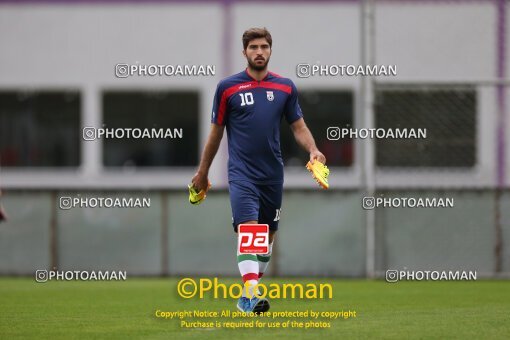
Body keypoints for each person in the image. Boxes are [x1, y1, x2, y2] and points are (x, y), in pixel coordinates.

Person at [191, 27, 326, 313]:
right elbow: (215, 134)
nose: (259, 52)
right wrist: (203, 172)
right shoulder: (227, 88)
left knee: (264, 243)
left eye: (264, 47)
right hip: (242, 174)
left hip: (273, 175)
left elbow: (298, 127)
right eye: (253, 48)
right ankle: (252, 294)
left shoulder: (285, 87)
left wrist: (313, 150)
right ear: (245, 52)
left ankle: (245, 296)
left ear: (270, 50)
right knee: (249, 232)